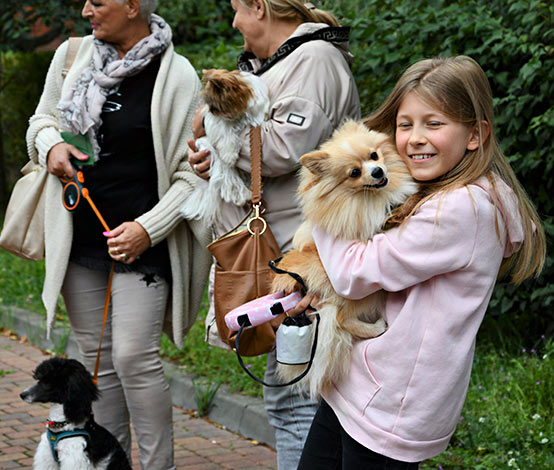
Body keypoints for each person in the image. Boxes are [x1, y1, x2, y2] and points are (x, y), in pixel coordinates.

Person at [294, 55, 546, 468]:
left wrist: (321, 201)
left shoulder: (464, 207)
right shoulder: (443, 191)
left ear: (475, 135)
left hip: (392, 406)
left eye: (434, 123)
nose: (414, 138)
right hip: (361, 386)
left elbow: (354, 273)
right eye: (405, 123)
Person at [25, 1, 211, 468]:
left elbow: (194, 175)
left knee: (133, 359)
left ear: (132, 7)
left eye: (99, 1)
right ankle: (109, 463)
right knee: (97, 362)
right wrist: (52, 146)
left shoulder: (179, 76)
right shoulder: (72, 56)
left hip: (143, 244)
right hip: (80, 238)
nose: (86, 9)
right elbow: (40, 123)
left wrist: (148, 229)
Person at [187, 1, 361, 468]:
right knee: (294, 397)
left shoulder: (315, 60)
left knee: (295, 400)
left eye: (237, 10)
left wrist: (217, 132)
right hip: (283, 255)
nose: (234, 23)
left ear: (260, 7)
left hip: (299, 258)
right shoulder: (281, 63)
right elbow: (255, 149)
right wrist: (212, 157)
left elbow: (286, 147)